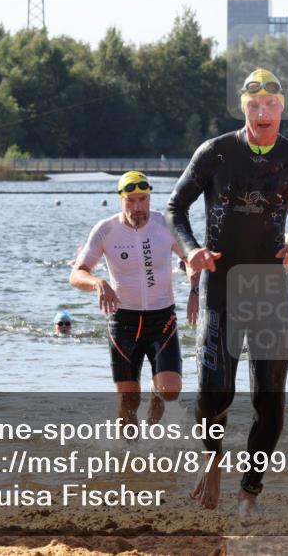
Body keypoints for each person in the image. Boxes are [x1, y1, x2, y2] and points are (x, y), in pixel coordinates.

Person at [166, 67, 288, 517]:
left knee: (269, 399)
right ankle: (212, 461)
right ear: (243, 109)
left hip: (270, 294)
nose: (262, 113)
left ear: (282, 110)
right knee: (213, 395)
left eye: (270, 106)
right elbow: (174, 207)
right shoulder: (215, 154)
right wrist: (190, 251)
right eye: (253, 106)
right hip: (221, 289)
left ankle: (250, 490)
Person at [70, 170, 199, 427]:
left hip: (162, 319)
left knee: (169, 389)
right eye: (131, 201)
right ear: (121, 200)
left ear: (150, 199)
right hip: (123, 322)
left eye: (142, 200)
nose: (137, 207)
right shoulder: (106, 230)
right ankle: (128, 459)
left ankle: (156, 390)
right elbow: (77, 274)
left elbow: (192, 260)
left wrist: (195, 290)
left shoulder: (166, 225)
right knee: (128, 401)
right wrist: (98, 283)